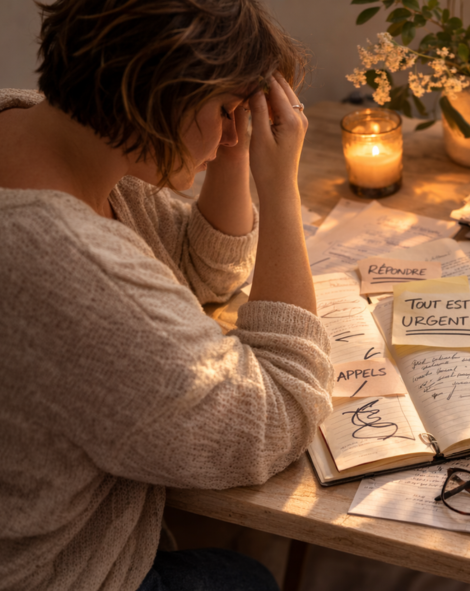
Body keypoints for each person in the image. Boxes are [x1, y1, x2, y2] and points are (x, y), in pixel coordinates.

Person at [0, 1, 332, 589]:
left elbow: (194, 271)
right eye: (230, 110)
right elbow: (279, 413)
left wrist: (229, 153)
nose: (238, 129)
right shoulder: (66, 264)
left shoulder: (39, 129)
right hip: (53, 575)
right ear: (171, 98)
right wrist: (279, 191)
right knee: (244, 579)